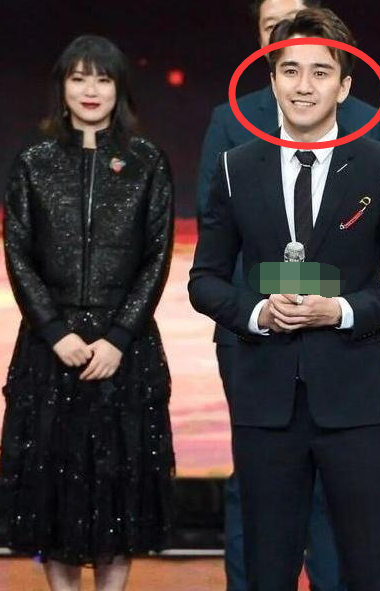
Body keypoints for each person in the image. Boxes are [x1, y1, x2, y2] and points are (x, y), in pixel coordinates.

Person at [189, 8, 380, 590]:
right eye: (290, 71)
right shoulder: (235, 169)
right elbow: (205, 280)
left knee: (369, 567)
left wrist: (342, 310)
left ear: (344, 86)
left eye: (320, 72)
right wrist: (257, 312)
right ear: (272, 79)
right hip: (265, 399)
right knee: (267, 569)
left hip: (355, 397)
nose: (304, 86)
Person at [0, 35, 175, 591]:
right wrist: (55, 332)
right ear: (62, 87)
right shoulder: (34, 162)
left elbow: (157, 256)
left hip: (124, 352)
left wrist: (119, 337)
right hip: (50, 353)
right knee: (52, 495)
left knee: (118, 490)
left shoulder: (147, 162)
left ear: (119, 87)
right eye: (79, 78)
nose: (90, 90)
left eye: (102, 78)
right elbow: (17, 252)